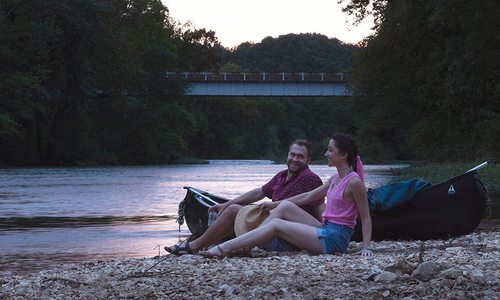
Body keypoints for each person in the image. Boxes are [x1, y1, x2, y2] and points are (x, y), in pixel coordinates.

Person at [200, 133, 373, 257]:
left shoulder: (354, 183)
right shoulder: (335, 178)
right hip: (326, 228)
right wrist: (274, 204)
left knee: (276, 224)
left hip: (335, 239)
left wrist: (366, 247)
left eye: (330, 150)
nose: (326, 154)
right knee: (285, 206)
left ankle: (224, 248)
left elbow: (365, 218)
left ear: (343, 155)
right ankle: (244, 244)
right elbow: (307, 197)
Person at [165, 139, 324, 255]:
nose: (295, 159)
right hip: (267, 230)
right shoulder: (281, 176)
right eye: (292, 154)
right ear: (287, 155)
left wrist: (326, 232)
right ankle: (206, 245)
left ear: (308, 160)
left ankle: (194, 246)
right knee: (233, 209)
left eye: (300, 156)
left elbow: (319, 204)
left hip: (287, 238)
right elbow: (258, 193)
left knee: (235, 210)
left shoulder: (309, 178)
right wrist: (226, 204)